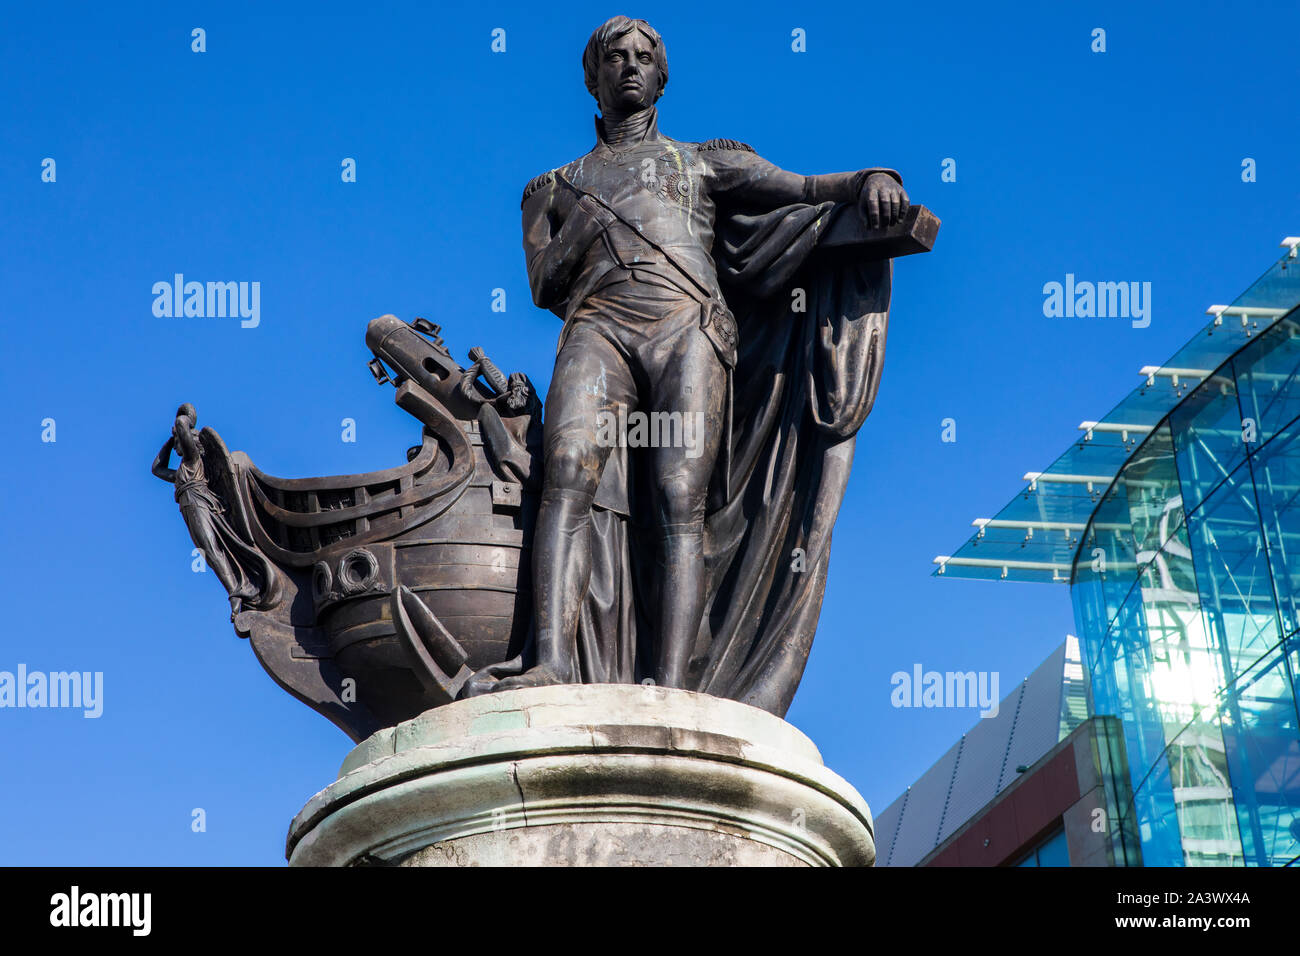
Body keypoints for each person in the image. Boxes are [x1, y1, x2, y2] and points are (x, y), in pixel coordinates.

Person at [506, 16, 908, 690]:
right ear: (591, 77)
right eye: (615, 56)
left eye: (644, 57)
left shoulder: (703, 161)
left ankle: (669, 685)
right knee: (568, 465)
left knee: (676, 492)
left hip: (687, 327)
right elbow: (546, 284)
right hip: (597, 324)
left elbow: (808, 189)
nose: (631, 66)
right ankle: (550, 661)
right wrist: (592, 212)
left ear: (662, 79)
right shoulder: (551, 187)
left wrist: (875, 176)